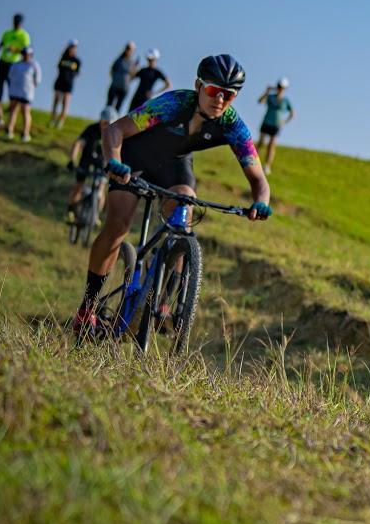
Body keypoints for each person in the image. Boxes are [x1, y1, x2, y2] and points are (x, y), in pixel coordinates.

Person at [72, 54, 272, 332]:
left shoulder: (231, 124)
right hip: (134, 157)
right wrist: (114, 162)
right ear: (199, 86)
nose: (221, 100)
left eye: (230, 94)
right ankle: (88, 307)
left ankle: (162, 302)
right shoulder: (173, 103)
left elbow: (258, 178)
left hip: (175, 164)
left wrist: (261, 202)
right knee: (118, 225)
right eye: (214, 91)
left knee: (183, 216)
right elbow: (115, 130)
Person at [65, 106, 117, 224]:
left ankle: (96, 215)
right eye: (104, 122)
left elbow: (116, 151)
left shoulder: (113, 134)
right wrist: (72, 160)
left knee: (101, 189)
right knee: (79, 185)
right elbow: (78, 144)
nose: (106, 126)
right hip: (86, 161)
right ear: (100, 120)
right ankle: (71, 210)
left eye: (110, 123)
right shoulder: (91, 129)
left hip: (102, 164)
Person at [255, 78, 296, 173]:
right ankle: (251, 160)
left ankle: (267, 166)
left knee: (271, 145)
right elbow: (260, 101)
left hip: (276, 125)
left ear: (285, 89)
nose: (279, 88)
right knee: (261, 142)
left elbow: (292, 113)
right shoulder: (270, 96)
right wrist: (266, 92)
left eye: (282, 87)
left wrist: (284, 122)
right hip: (266, 122)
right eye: (279, 86)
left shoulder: (286, 101)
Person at [4, 46, 42, 141]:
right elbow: (10, 76)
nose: (25, 56)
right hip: (15, 90)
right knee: (13, 110)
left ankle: (25, 133)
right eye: (24, 54)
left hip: (26, 92)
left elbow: (37, 79)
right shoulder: (16, 64)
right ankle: (9, 130)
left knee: (25, 111)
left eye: (27, 54)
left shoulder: (34, 65)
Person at [0, 13, 31, 116]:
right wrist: (1, 45)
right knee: (0, 84)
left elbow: (27, 51)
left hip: (14, 63)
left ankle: (11, 105)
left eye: (18, 23)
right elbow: (1, 44)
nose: (16, 24)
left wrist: (15, 49)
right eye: (15, 22)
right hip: (3, 60)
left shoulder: (24, 35)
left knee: (11, 86)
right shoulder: (7, 33)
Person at [51, 40, 81, 127]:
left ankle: (61, 121)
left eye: (74, 47)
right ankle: (53, 119)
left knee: (65, 102)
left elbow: (78, 72)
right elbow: (58, 68)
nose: (72, 49)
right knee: (56, 101)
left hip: (68, 83)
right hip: (59, 81)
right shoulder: (63, 58)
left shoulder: (76, 61)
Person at [106, 42, 137, 110]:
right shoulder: (119, 60)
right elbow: (112, 70)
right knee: (109, 105)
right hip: (114, 85)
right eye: (127, 48)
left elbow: (133, 76)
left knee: (118, 107)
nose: (128, 51)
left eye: (130, 49)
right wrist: (115, 79)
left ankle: (114, 120)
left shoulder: (132, 63)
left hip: (124, 88)